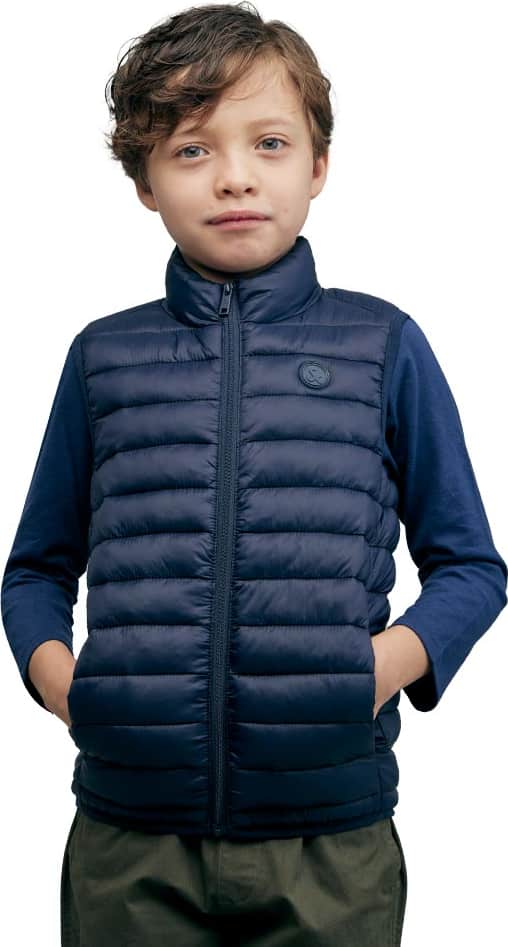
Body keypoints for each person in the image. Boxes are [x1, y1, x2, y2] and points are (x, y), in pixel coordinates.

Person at [2, 3, 507, 945]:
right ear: (144, 181)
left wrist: (380, 669)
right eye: (192, 149)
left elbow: (472, 566)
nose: (234, 176)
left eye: (269, 143)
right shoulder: (102, 358)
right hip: (128, 837)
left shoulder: (383, 346)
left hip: (331, 836)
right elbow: (35, 567)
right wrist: (65, 685)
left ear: (318, 165)